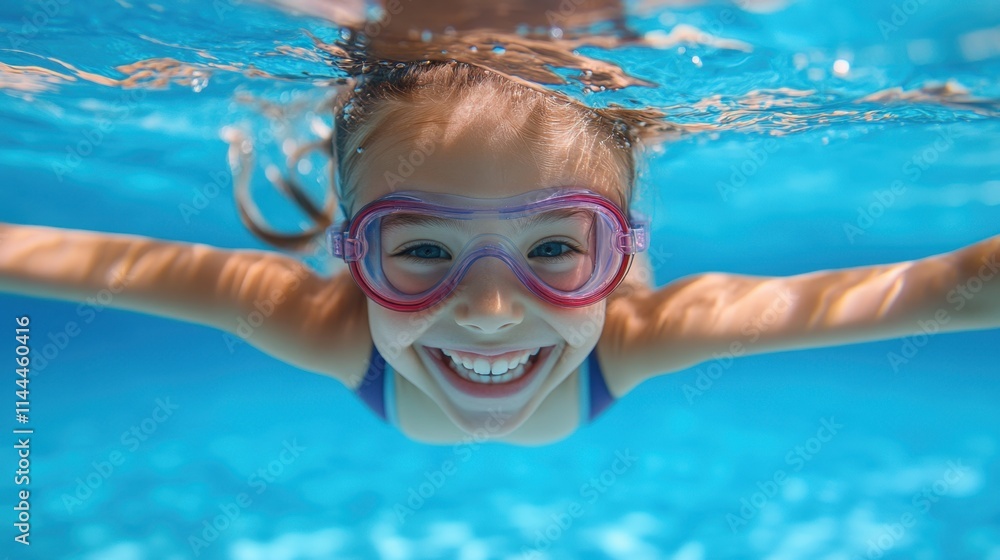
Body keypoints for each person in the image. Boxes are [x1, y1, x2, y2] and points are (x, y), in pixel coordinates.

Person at [1, 0, 998, 446]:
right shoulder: (321, 317)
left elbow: (932, 291)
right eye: (421, 248)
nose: (486, 311)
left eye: (555, 246)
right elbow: (76, 260)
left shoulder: (642, 327)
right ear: (352, 251)